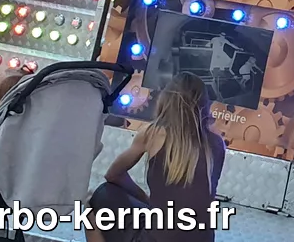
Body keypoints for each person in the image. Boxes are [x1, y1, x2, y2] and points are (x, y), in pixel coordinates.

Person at [86, 74, 227, 242]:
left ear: (166, 100)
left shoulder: (152, 133)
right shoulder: (217, 144)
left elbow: (113, 175)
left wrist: (145, 198)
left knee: (94, 200)